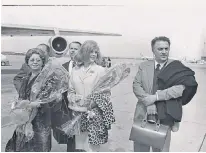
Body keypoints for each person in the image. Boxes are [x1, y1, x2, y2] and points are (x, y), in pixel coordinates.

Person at [131, 36, 198, 152]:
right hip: (144, 112)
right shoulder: (144, 66)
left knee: (161, 149)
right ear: (153, 50)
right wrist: (149, 103)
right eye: (160, 49)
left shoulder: (176, 66)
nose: (164, 52)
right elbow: (136, 86)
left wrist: (156, 97)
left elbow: (180, 89)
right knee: (140, 149)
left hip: (165, 115)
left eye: (166, 49)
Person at [67, 40, 115, 152]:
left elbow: (106, 93)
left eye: (96, 52)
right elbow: (70, 90)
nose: (94, 54)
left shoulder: (101, 71)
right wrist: (73, 98)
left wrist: (92, 103)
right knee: (79, 147)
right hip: (77, 113)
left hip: (94, 114)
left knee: (92, 147)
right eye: (91, 51)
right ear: (83, 53)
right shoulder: (75, 70)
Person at [6, 48, 52, 151]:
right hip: (23, 119)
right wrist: (16, 104)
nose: (35, 62)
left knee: (38, 147)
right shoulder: (25, 79)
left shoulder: (47, 80)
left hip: (40, 120)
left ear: (42, 62)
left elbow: (48, 101)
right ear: (27, 62)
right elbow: (21, 98)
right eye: (32, 60)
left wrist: (34, 104)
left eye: (38, 60)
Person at [51, 41, 82, 152]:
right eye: (71, 48)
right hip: (67, 109)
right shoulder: (63, 67)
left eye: (76, 49)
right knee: (71, 139)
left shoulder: (86, 67)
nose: (73, 51)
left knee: (82, 139)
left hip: (82, 108)